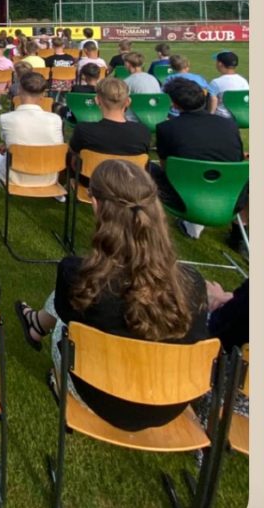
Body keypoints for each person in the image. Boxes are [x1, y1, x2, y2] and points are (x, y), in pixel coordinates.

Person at [14, 160, 209, 431]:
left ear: (96, 205)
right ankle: (35, 324)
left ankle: (37, 328)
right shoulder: (193, 284)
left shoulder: (82, 277)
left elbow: (68, 312)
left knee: (65, 307)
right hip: (169, 402)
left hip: (98, 395)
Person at [150, 78, 246, 243]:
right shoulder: (229, 125)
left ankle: (144, 228)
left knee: (144, 167)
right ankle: (239, 235)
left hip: (182, 196)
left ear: (174, 104)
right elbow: (238, 160)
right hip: (232, 196)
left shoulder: (166, 128)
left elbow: (167, 168)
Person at [0, 72, 64, 193]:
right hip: (48, 177)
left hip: (16, 177)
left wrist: (7, 146)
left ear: (19, 90)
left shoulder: (5, 119)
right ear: (43, 94)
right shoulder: (55, 119)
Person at [68, 78, 150, 183]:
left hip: (92, 184)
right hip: (129, 185)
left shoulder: (83, 130)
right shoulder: (143, 132)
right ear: (128, 102)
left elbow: (73, 157)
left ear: (97, 100)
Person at [207, 50, 248, 119]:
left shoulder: (216, 82)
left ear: (220, 64)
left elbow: (213, 101)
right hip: (239, 118)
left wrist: (210, 117)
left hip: (221, 118)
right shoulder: (244, 81)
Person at [121, 52, 160, 123]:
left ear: (128, 64)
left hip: (135, 119)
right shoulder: (153, 78)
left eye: (125, 63)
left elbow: (120, 103)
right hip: (156, 116)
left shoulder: (127, 81)